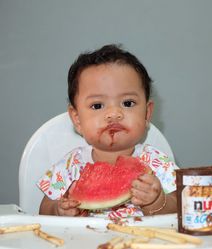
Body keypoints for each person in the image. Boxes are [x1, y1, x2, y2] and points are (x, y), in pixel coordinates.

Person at [37, 44, 178, 219]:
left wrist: (157, 201)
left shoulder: (157, 163)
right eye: (97, 105)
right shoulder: (70, 166)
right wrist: (59, 210)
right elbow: (44, 209)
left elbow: (179, 206)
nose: (113, 114)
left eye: (127, 103)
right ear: (77, 119)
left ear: (147, 114)